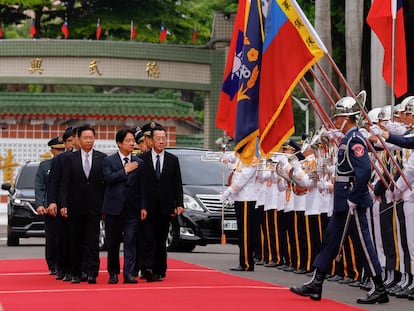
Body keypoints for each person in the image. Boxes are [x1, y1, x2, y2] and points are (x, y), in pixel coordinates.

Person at [290, 94, 389, 304]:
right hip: (343, 202)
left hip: (352, 202)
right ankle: (316, 283)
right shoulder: (346, 139)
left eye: (338, 117)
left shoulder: (354, 140)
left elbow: (363, 172)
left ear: (348, 118)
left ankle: (379, 288)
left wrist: (353, 198)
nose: (335, 121)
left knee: (364, 245)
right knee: (330, 240)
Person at [60, 125, 107, 284]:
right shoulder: (70, 159)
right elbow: (64, 183)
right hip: (75, 206)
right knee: (76, 240)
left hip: (95, 207)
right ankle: (76, 272)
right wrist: (63, 204)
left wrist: (104, 205)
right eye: (85, 138)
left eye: (91, 138)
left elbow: (105, 184)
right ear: (78, 140)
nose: (88, 141)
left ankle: (92, 272)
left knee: (92, 241)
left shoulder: (102, 158)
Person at [140, 122, 184, 281]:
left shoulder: (173, 160)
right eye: (158, 138)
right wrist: (142, 205)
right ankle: (147, 268)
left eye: (163, 138)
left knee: (161, 238)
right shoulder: (142, 159)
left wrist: (179, 204)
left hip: (165, 207)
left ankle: (159, 269)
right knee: (147, 238)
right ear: (151, 140)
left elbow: (177, 183)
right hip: (147, 206)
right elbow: (141, 185)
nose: (161, 141)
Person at [102, 129, 145, 284]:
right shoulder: (109, 161)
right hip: (114, 209)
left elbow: (142, 188)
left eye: (132, 140)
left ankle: (129, 274)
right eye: (128, 140)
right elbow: (108, 179)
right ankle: (113, 273)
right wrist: (125, 171)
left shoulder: (139, 162)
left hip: (132, 209)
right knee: (113, 243)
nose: (131, 143)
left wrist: (143, 207)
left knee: (130, 241)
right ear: (119, 143)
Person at [46, 127, 77, 281]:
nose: (73, 144)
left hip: (80, 204)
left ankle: (78, 268)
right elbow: (53, 184)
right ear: (65, 143)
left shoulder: (86, 158)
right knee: (63, 238)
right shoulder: (60, 160)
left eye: (74, 140)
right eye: (70, 141)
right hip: (62, 204)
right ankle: (62, 268)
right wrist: (52, 202)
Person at [221, 155, 258, 272]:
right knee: (242, 232)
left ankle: (247, 263)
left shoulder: (253, 157)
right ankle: (243, 261)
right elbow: (226, 159)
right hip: (239, 199)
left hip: (246, 199)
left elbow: (243, 178)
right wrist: (227, 156)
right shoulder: (242, 157)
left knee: (246, 233)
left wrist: (228, 192)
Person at [35, 136, 65, 275]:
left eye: (62, 149)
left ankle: (63, 263)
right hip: (50, 207)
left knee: (65, 237)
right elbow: (40, 187)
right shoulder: (45, 166)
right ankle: (52, 264)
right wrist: (40, 204)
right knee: (52, 237)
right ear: (52, 151)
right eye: (57, 150)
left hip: (66, 206)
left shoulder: (69, 163)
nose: (60, 152)